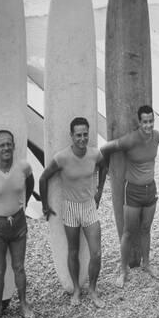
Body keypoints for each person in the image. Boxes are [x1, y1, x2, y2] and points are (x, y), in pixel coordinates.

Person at [39, 117, 107, 308]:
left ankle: (93, 289)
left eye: (85, 134)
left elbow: (104, 166)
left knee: (97, 253)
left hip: (88, 207)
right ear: (71, 136)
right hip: (69, 208)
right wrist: (45, 205)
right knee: (73, 250)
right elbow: (43, 178)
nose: (82, 138)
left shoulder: (95, 154)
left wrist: (100, 190)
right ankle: (77, 289)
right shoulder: (62, 157)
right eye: (78, 135)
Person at [100, 105, 159, 288]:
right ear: (139, 122)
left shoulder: (157, 136)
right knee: (128, 232)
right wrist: (107, 170)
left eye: (151, 121)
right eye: (145, 122)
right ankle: (124, 270)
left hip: (150, 189)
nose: (148, 125)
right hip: (133, 191)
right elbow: (105, 149)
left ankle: (147, 263)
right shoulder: (130, 140)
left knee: (145, 229)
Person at [0, 130, 35, 318]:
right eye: (1, 145)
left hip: (18, 224)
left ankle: (23, 304)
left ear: (14, 146)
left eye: (9, 144)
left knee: (19, 267)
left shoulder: (23, 166)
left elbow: (30, 183)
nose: (6, 148)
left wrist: (25, 203)